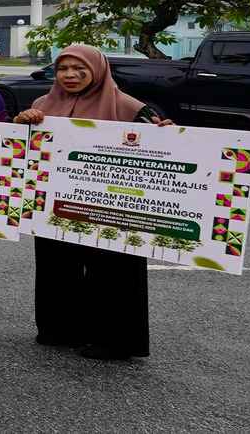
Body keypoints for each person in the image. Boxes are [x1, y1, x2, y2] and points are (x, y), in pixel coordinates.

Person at [16, 44, 172, 360]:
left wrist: (169, 136)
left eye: (80, 69)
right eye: (63, 69)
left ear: (98, 70)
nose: (70, 75)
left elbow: (163, 149)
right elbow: (24, 149)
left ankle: (116, 340)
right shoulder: (43, 104)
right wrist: (22, 122)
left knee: (113, 269)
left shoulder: (129, 107)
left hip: (112, 206)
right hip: (57, 202)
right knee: (57, 264)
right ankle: (59, 329)